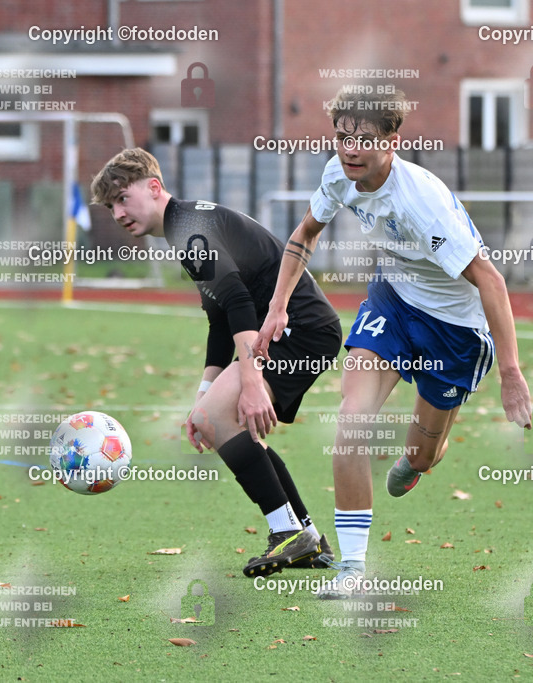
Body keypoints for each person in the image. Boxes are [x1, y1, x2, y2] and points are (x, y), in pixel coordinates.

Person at [255, 87, 533, 598]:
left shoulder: (421, 203)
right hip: (393, 304)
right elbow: (305, 233)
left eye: (363, 139)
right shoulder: (339, 173)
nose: (350, 149)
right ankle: (352, 571)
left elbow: (490, 279)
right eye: (342, 137)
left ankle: (421, 459)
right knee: (352, 423)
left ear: (392, 141)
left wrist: (512, 374)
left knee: (421, 455)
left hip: (455, 329)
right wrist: (276, 309)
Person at [90, 148, 343, 577]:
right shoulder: (186, 225)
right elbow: (220, 319)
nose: (117, 213)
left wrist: (248, 383)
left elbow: (241, 303)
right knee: (220, 421)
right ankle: (307, 538)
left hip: (299, 331)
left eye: (122, 198)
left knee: (219, 419)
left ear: (154, 188)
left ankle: (286, 532)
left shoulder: (188, 229)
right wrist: (202, 397)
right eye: (110, 205)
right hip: (295, 332)